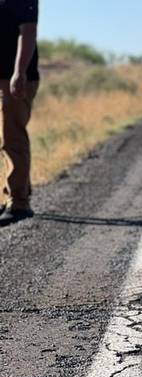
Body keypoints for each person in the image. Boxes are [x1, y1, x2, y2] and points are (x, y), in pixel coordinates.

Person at [0, 0, 39, 227]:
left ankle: (19, 203)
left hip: (15, 79)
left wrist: (19, 72)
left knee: (12, 138)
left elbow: (28, 32)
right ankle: (13, 194)